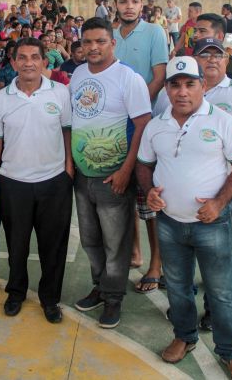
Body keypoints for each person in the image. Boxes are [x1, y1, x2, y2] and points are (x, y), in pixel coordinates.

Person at [136, 56, 232, 380]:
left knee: (222, 291)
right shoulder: (156, 125)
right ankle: (184, 336)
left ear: (203, 85)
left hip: (212, 224)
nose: (182, 92)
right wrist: (150, 192)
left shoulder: (222, 121)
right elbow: (144, 165)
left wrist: (218, 202)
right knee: (177, 287)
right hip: (171, 223)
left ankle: (230, 353)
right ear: (168, 89)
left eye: (190, 84)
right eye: (175, 84)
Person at [0, 37, 73, 323]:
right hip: (12, 183)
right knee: (16, 245)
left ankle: (50, 299)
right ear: (13, 62)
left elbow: (68, 132)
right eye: (22, 57)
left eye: (35, 57)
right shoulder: (0, 98)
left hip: (54, 182)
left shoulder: (61, 93)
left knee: (53, 247)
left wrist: (68, 170)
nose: (29, 62)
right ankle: (16, 292)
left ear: (45, 61)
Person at [70, 17, 151, 329]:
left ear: (112, 43)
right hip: (82, 175)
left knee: (116, 243)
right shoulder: (77, 75)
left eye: (100, 41)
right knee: (90, 239)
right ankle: (100, 287)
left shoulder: (128, 79)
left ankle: (114, 298)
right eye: (87, 41)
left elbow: (143, 124)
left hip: (114, 175)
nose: (93, 47)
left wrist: (126, 170)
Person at [111, 0, 169, 294]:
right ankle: (134, 251)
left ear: (141, 5)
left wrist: (134, 108)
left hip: (147, 123)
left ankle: (156, 265)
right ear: (115, 5)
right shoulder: (110, 37)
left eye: (134, 1)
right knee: (125, 195)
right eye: (124, 2)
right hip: (117, 126)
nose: (129, 6)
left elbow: (159, 78)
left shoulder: (155, 33)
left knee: (149, 197)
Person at [191, 14, 232, 87]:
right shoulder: (188, 63)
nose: (195, 35)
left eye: (202, 31)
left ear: (220, 36)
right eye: (195, 31)